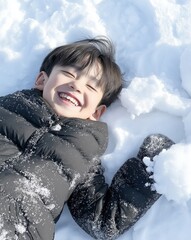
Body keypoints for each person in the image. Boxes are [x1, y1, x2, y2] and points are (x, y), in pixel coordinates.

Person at [0, 37, 174, 239]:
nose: (76, 85)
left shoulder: (84, 156)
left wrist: (149, 168)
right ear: (41, 80)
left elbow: (101, 221)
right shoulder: (5, 109)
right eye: (68, 74)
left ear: (96, 113)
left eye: (91, 87)